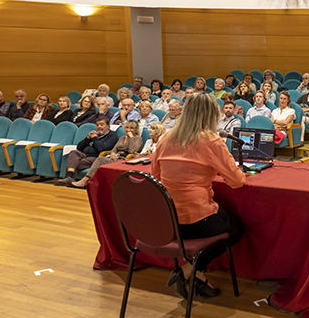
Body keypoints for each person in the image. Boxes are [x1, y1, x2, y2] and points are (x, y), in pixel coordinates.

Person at [153, 92, 246, 299]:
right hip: (195, 219)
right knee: (236, 228)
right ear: (212, 115)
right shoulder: (211, 141)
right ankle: (189, 270)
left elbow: (155, 177)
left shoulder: (165, 138)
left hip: (168, 219)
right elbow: (237, 181)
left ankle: (199, 278)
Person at [68, 120, 144, 189]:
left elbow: (132, 151)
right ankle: (87, 183)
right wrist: (112, 153)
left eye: (131, 128)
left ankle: (85, 181)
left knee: (100, 159)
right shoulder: (122, 138)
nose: (128, 130)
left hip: (124, 159)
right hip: (114, 157)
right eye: (127, 127)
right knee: (78, 157)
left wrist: (131, 138)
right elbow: (114, 149)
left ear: (136, 129)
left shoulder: (138, 139)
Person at [56, 116, 117, 186]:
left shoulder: (112, 136)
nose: (99, 127)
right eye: (97, 125)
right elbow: (79, 148)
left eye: (102, 124)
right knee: (73, 152)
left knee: (72, 162)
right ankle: (70, 178)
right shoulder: (94, 134)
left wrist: (95, 138)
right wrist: (87, 138)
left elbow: (101, 149)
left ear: (108, 126)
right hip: (83, 155)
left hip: (95, 157)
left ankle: (69, 178)